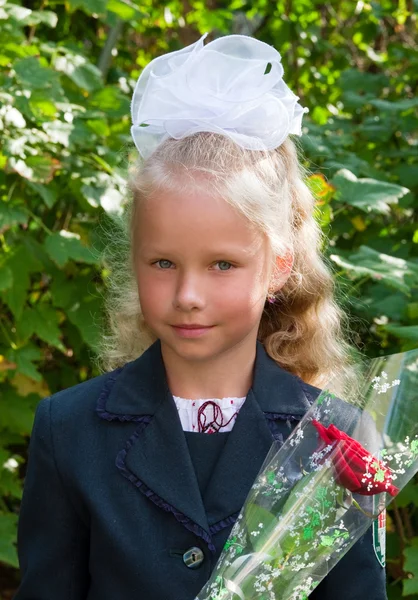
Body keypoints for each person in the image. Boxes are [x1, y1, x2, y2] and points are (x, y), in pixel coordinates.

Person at [14, 34, 387, 600]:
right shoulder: (68, 431)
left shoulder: (334, 438)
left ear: (278, 267)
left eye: (222, 264)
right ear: (132, 259)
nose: (188, 294)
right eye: (163, 262)